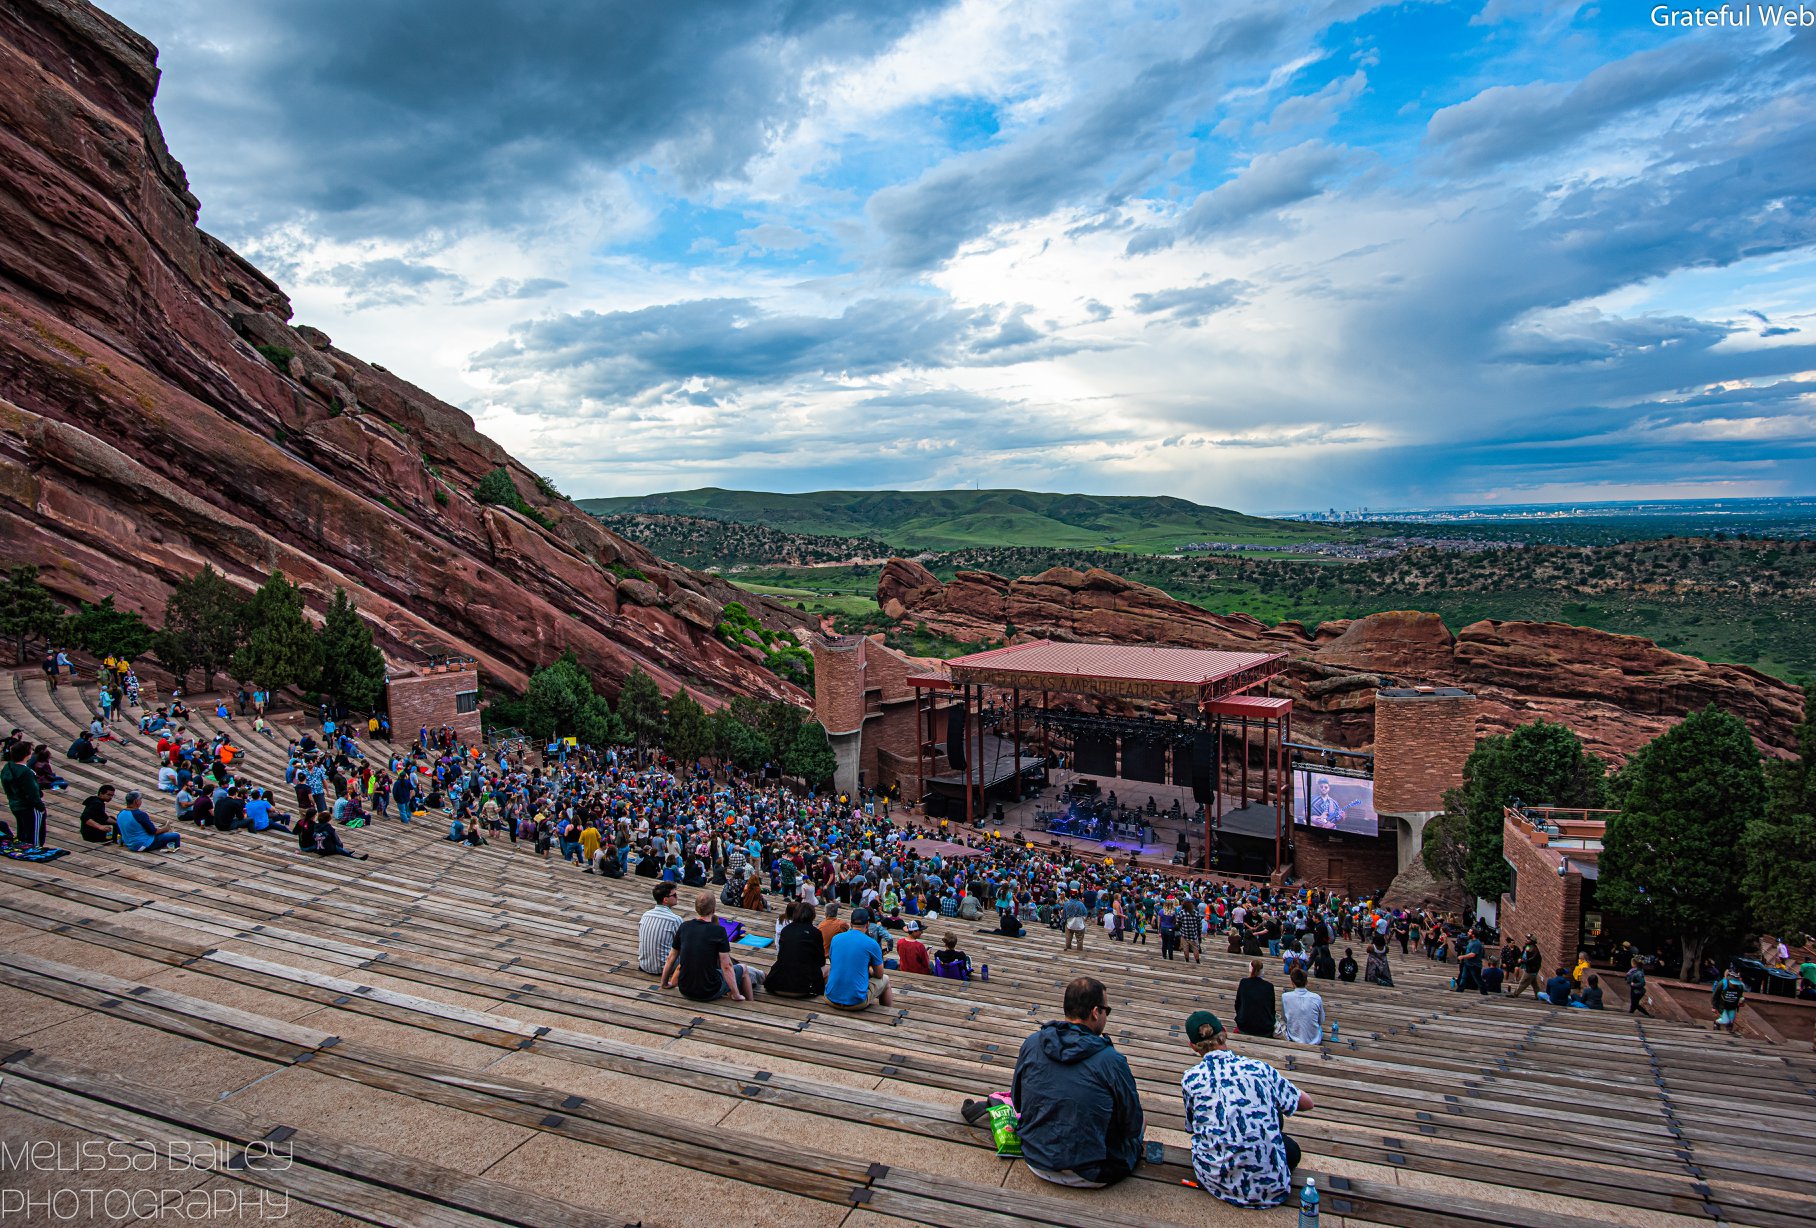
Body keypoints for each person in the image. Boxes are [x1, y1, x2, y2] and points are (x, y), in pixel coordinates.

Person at [1010, 977, 1145, 1188]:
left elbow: (1017, 1103)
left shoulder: (1032, 1043)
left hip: (1036, 1159)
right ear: (1094, 1012)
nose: (1106, 1016)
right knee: (1141, 1122)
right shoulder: (1112, 1061)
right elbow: (1132, 1126)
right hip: (1094, 1173)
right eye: (1106, 1011)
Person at [1179, 1010, 1312, 1208]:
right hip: (1273, 1189)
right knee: (1291, 1148)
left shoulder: (1191, 1079)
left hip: (1215, 1181)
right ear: (1225, 1032)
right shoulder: (1259, 1069)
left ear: (1192, 1046)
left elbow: (1192, 1127)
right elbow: (1307, 1103)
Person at [663, 892, 760, 1002]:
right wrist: (736, 994)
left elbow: (671, 958)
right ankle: (749, 1003)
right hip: (708, 991)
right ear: (713, 910)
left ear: (696, 908)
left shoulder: (684, 926)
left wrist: (664, 983)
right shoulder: (719, 931)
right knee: (743, 969)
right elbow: (727, 966)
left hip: (684, 989)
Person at [826, 907, 891, 1010]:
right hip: (856, 1003)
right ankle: (887, 1014)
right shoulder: (872, 944)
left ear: (851, 924)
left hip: (830, 998)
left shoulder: (836, 938)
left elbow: (833, 962)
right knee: (886, 979)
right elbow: (879, 974)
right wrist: (869, 970)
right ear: (867, 924)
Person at [765, 901, 827, 998]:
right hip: (803, 989)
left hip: (777, 985)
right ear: (812, 916)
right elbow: (821, 961)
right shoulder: (815, 933)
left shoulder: (786, 930)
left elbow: (781, 955)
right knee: (828, 969)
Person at [3, 741, 47, 846]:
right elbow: (32, 793)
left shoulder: (8, 767)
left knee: (22, 833)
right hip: (29, 808)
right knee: (34, 838)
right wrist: (41, 808)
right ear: (26, 754)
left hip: (15, 804)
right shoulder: (25, 772)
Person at [637, 883, 686, 976]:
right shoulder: (675, 920)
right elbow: (684, 945)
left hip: (644, 965)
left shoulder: (646, 915)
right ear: (665, 900)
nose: (677, 897)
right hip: (665, 968)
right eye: (674, 895)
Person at [116, 791, 181, 852]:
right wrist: (165, 829)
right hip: (143, 845)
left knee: (162, 836)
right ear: (136, 801)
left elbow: (120, 831)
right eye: (140, 799)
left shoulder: (120, 814)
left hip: (130, 845)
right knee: (176, 836)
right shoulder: (140, 814)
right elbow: (153, 831)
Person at [1279, 968, 1326, 1045]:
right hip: (1314, 1040)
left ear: (1292, 983)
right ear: (1306, 982)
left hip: (1293, 1037)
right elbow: (1321, 1021)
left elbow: (1284, 1018)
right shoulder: (1317, 998)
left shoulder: (1285, 997)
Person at [1234, 960, 1277, 1038]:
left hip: (1244, 1026)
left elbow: (1237, 1004)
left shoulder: (1244, 982)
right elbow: (1272, 1008)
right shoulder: (1269, 986)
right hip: (1264, 1029)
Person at [1712, 965, 1747, 1033]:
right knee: (1725, 1020)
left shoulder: (1740, 986)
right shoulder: (1722, 984)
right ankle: (1716, 1023)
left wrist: (1741, 1000)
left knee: (1731, 1021)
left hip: (1732, 1006)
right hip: (1723, 1006)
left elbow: (1740, 995)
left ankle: (1729, 1030)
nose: (1734, 985)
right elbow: (1715, 995)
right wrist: (1714, 1006)